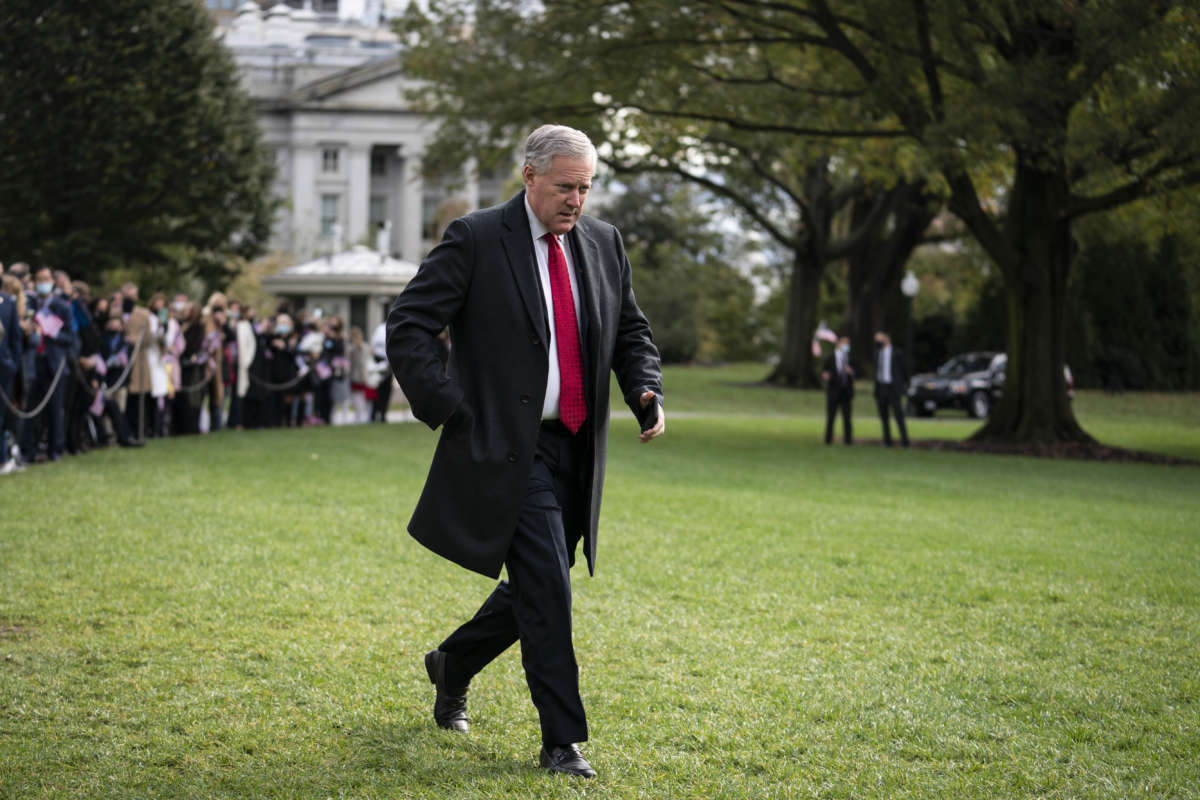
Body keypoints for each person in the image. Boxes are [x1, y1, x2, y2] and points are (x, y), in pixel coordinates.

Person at [387, 124, 664, 780]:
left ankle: (452, 662)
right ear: (530, 177)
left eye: (586, 188)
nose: (577, 200)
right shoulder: (477, 238)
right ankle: (561, 740)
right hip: (508, 448)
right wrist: (450, 408)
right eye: (566, 186)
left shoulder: (603, 242)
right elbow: (410, 324)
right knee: (549, 589)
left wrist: (645, 388)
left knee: (544, 584)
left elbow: (630, 329)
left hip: (577, 446)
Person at [19, 266, 78, 463]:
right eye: (39, 279)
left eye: (46, 278)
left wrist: (52, 332)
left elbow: (70, 337)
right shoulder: (29, 303)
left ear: (53, 282)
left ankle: (55, 449)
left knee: (55, 408)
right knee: (32, 408)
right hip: (34, 362)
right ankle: (29, 450)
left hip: (55, 363)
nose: (42, 282)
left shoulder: (62, 306)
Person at [872, 331, 910, 447]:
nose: (878, 342)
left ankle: (904, 441)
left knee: (898, 415)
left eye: (879, 339)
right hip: (881, 387)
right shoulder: (877, 354)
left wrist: (904, 385)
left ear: (887, 338)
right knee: (884, 416)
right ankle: (887, 441)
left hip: (893, 388)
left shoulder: (897, 353)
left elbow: (904, 370)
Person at [0, 276, 22, 473]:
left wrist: (12, 364)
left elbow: (16, 338)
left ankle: (2, 459)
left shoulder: (7, 302)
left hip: (3, 368)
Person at [821, 335, 855, 445]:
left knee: (847, 417)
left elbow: (856, 373)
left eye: (848, 344)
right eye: (844, 343)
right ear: (838, 344)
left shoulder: (850, 358)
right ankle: (828, 439)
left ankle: (848, 440)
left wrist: (851, 372)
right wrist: (825, 376)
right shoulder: (830, 358)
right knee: (831, 416)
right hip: (833, 390)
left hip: (846, 391)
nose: (846, 346)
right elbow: (824, 372)